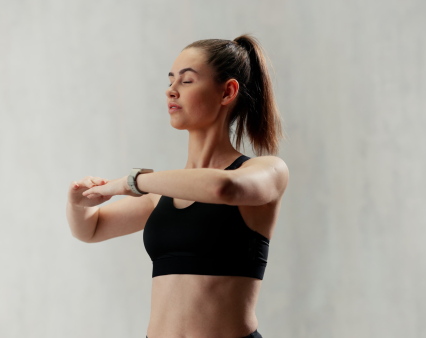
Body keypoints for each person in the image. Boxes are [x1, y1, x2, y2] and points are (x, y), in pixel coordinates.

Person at [66, 34, 289, 338]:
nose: (171, 90)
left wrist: (132, 182)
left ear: (227, 92)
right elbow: (90, 230)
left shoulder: (267, 170)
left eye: (186, 81)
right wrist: (78, 203)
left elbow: (224, 189)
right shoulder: (162, 190)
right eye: (170, 80)